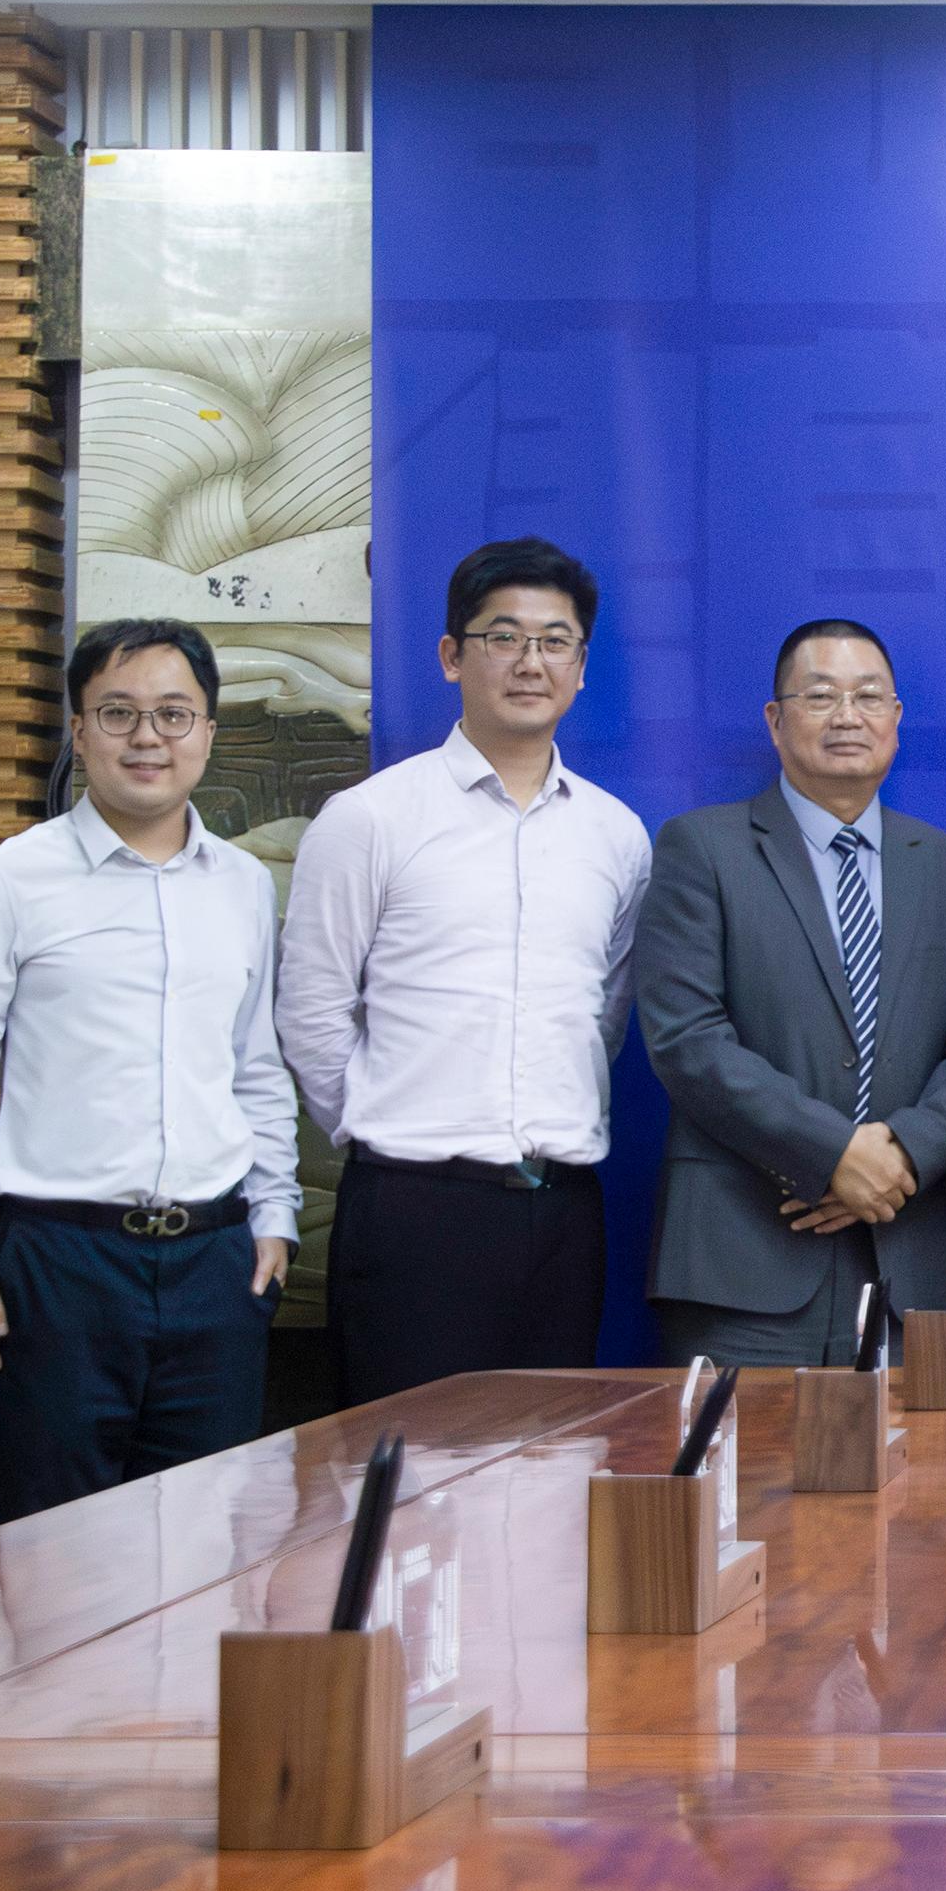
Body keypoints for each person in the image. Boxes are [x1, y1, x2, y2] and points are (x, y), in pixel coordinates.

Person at [0, 619, 294, 1520]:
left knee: (207, 1545)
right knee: (56, 1548)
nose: (147, 737)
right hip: (60, 1264)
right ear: (80, 732)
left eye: (174, 713)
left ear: (209, 731)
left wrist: (275, 1213)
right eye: (119, 713)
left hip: (216, 1260)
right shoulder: (7, 881)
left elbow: (256, 1064)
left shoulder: (243, 884)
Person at [280, 538, 652, 1402]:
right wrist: (388, 1132)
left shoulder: (616, 835)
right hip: (415, 1214)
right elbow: (312, 1012)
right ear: (452, 656)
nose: (531, 662)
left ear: (582, 667)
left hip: (564, 1213)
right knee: (411, 1471)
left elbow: (604, 1013)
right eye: (503, 637)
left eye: (555, 641)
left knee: (554, 1464)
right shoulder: (371, 819)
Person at [635, 618, 946, 1366]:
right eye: (821, 695)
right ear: (775, 719)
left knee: (922, 1450)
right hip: (745, 1256)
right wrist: (832, 1154)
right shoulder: (703, 847)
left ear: (896, 717)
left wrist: (900, 1155)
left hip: (910, 1257)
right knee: (744, 1449)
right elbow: (687, 1038)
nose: (847, 716)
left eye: (869, 696)